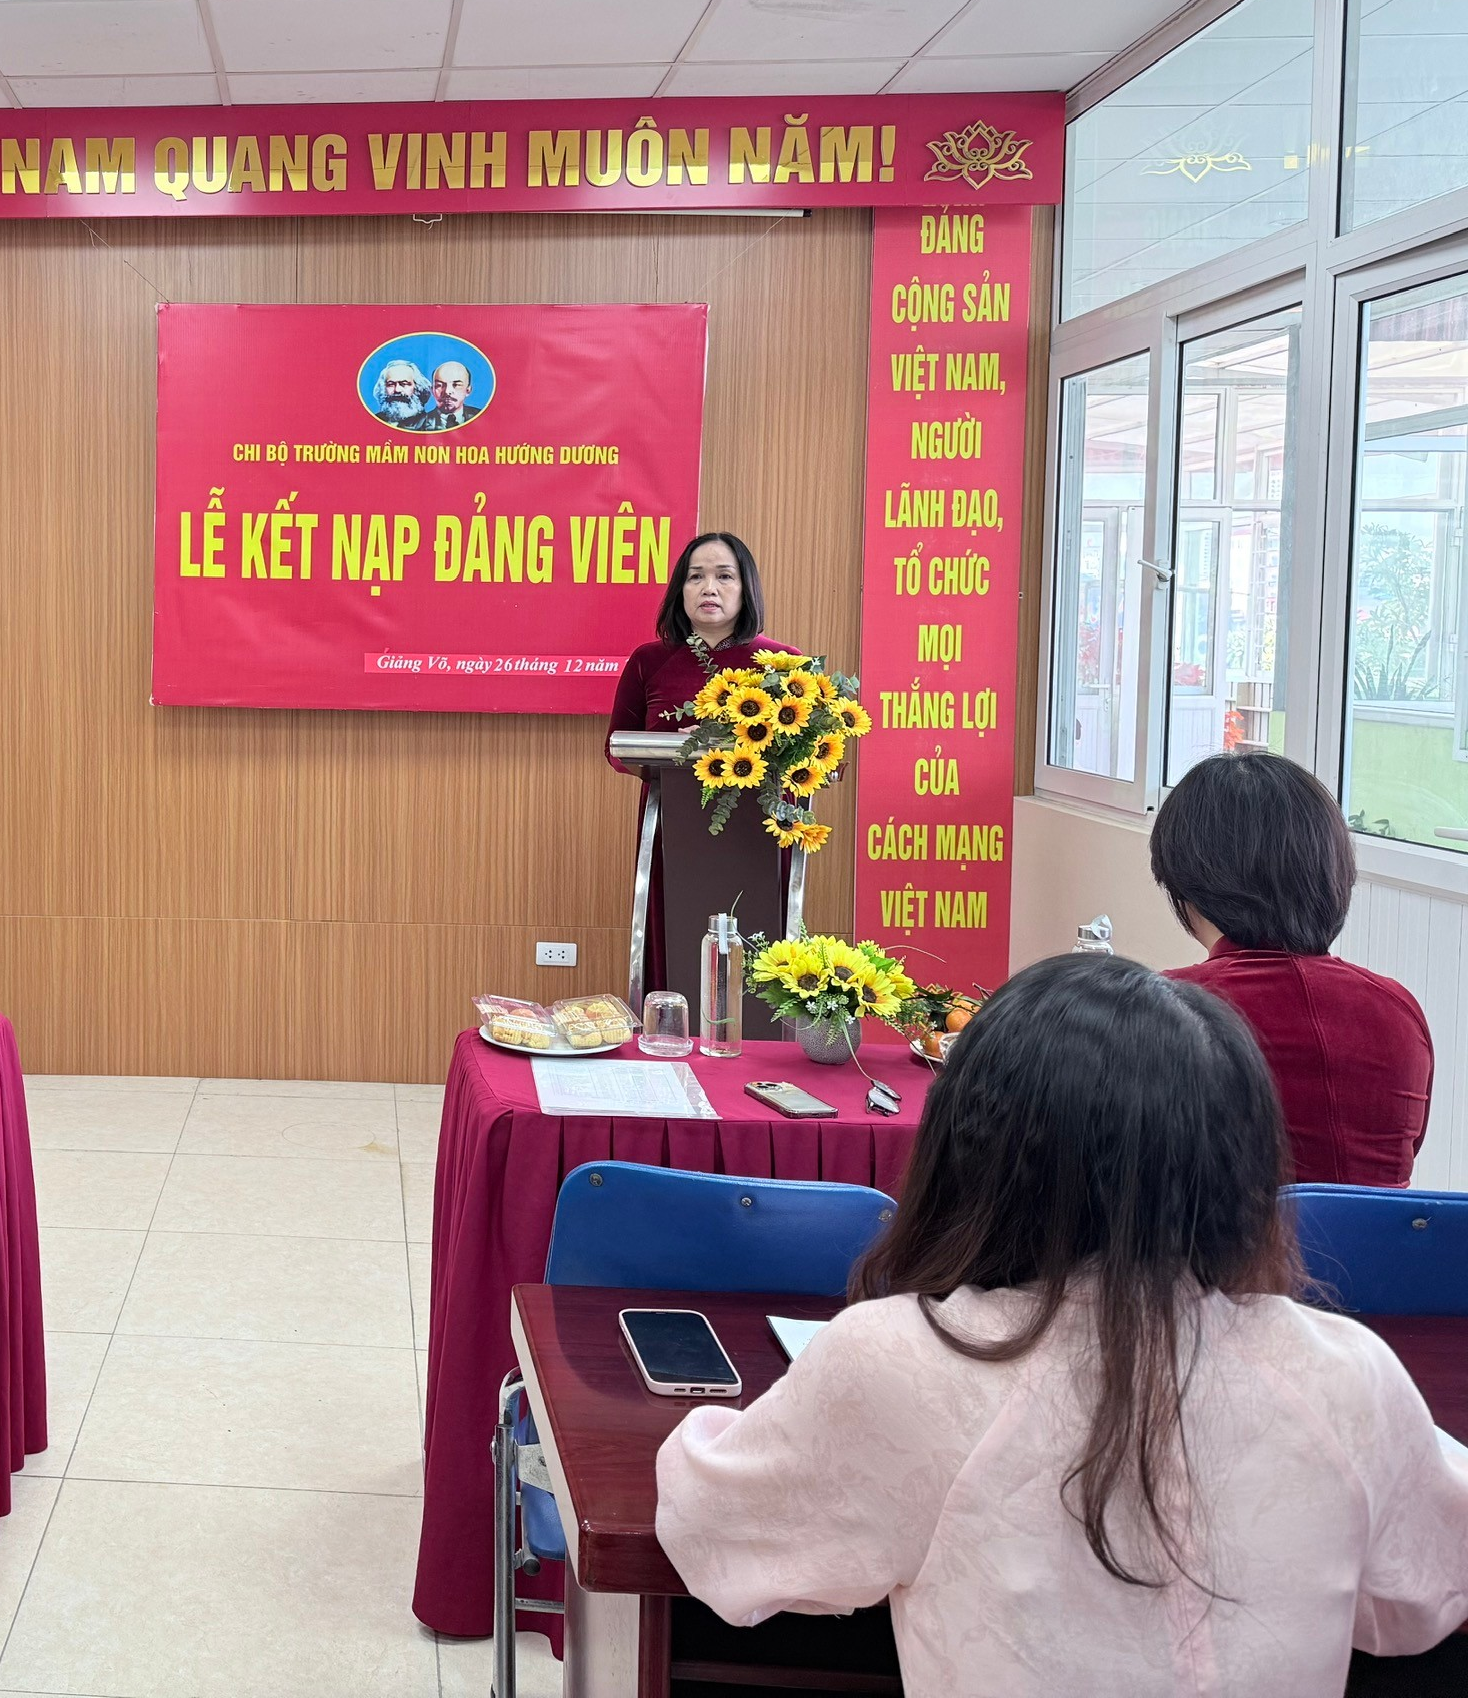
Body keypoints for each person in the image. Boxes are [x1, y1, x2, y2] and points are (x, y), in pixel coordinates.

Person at [653, 954, 1468, 1697]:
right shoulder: (1345, 1372)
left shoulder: (904, 1360)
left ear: (972, 1151)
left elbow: (715, 1536)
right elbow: (1419, 1599)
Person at [1151, 749, 1433, 1187]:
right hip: (1376, 1236)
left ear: (1184, 882)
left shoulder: (1168, 1009)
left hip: (1226, 1236)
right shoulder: (1398, 1010)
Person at [604, 531, 796, 990]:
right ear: (680, 589)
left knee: (760, 956)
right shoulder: (649, 660)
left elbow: (808, 751)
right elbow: (616, 747)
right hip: (672, 830)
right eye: (696, 577)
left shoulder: (784, 665)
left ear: (746, 588)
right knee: (677, 949)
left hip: (760, 832)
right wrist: (677, 748)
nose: (709, 588)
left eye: (724, 576)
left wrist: (732, 742)